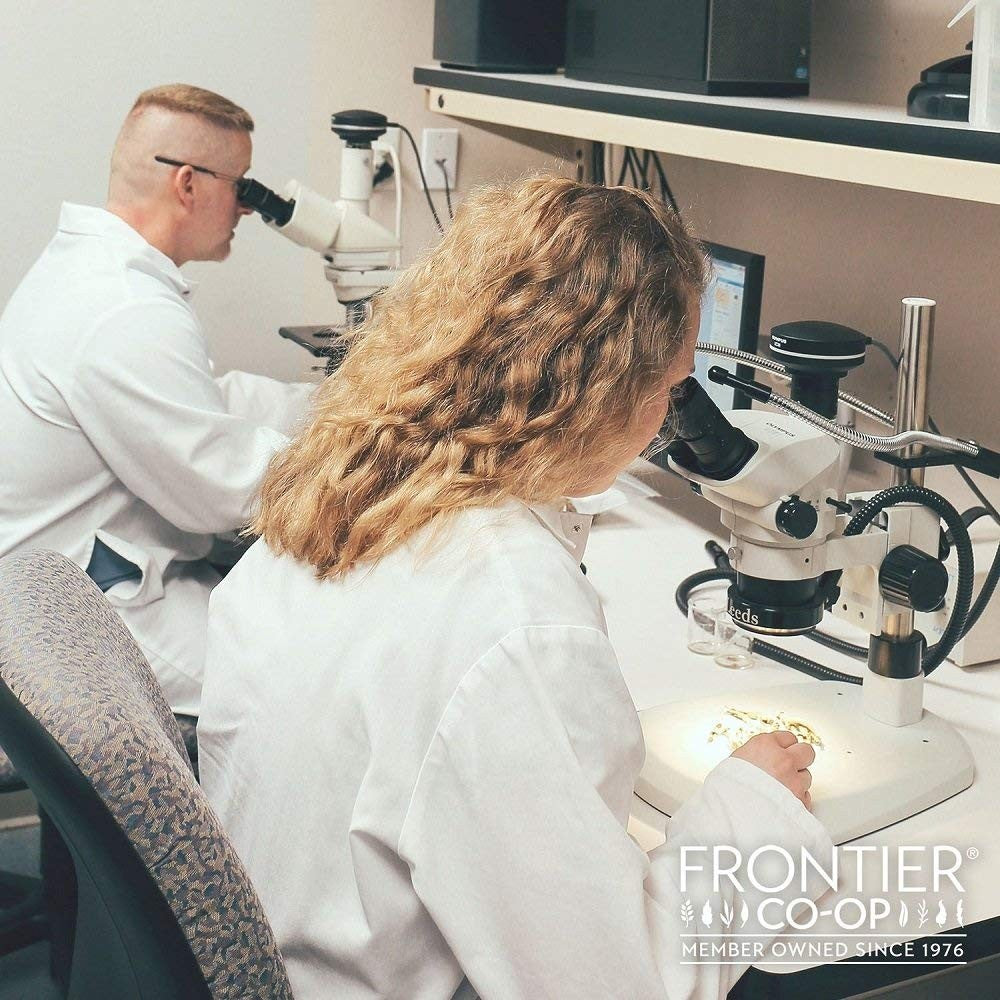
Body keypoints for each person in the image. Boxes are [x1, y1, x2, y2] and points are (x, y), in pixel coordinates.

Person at [198, 177, 833, 999]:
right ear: (609, 395)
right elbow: (616, 987)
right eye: (672, 389)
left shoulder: (349, 487)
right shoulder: (516, 621)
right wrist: (751, 816)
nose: (670, 416)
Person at [0, 84, 312, 717]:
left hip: (70, 571)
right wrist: (375, 448)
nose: (246, 208)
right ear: (188, 184)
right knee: (295, 689)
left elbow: (194, 400)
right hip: (84, 607)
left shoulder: (89, 270)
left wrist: (326, 403)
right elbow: (224, 491)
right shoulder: (124, 310)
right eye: (242, 186)